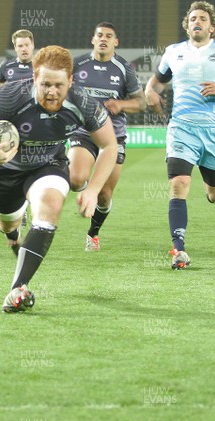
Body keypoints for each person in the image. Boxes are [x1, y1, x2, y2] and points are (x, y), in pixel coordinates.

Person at [0, 45, 117, 313]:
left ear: (70, 81)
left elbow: (109, 146)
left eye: (58, 85)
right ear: (34, 79)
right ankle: (13, 233)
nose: (52, 92)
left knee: (50, 207)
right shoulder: (11, 95)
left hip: (49, 164)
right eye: (45, 84)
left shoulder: (83, 102)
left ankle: (17, 288)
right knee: (5, 222)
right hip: (4, 170)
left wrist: (93, 190)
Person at [144, 1, 215, 269]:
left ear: (212, 26)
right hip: (182, 128)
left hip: (213, 133)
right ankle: (179, 249)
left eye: (203, 18)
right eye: (193, 17)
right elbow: (157, 80)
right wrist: (150, 90)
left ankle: (211, 189)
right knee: (179, 183)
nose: (197, 21)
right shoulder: (173, 52)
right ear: (187, 24)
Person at [69, 22, 146, 251]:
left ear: (115, 42)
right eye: (99, 35)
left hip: (114, 137)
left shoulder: (124, 68)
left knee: (104, 194)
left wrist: (121, 104)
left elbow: (141, 103)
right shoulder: (77, 64)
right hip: (83, 131)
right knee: (75, 179)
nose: (103, 39)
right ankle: (86, 191)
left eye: (109, 36)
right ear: (93, 39)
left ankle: (93, 233)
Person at [0, 29, 35, 95]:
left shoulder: (42, 66)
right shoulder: (7, 65)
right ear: (15, 47)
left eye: (27, 45)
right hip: (14, 104)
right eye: (20, 46)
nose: (24, 49)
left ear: (32, 45)